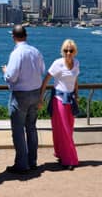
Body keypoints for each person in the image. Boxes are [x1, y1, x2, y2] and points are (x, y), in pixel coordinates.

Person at [2, 25, 46, 174]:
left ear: (13, 37)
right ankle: (32, 161)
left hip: (20, 95)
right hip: (35, 93)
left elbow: (11, 76)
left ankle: (22, 163)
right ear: (26, 36)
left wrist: (5, 72)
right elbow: (42, 70)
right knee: (31, 128)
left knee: (18, 130)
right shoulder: (36, 51)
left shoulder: (16, 53)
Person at [39, 39, 80, 170]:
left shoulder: (76, 63)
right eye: (66, 50)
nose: (68, 53)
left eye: (71, 50)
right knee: (64, 129)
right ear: (62, 51)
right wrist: (41, 98)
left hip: (71, 99)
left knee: (68, 129)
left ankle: (61, 153)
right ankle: (70, 159)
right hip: (58, 99)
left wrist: (77, 95)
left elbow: (75, 80)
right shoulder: (58, 63)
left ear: (75, 52)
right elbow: (46, 80)